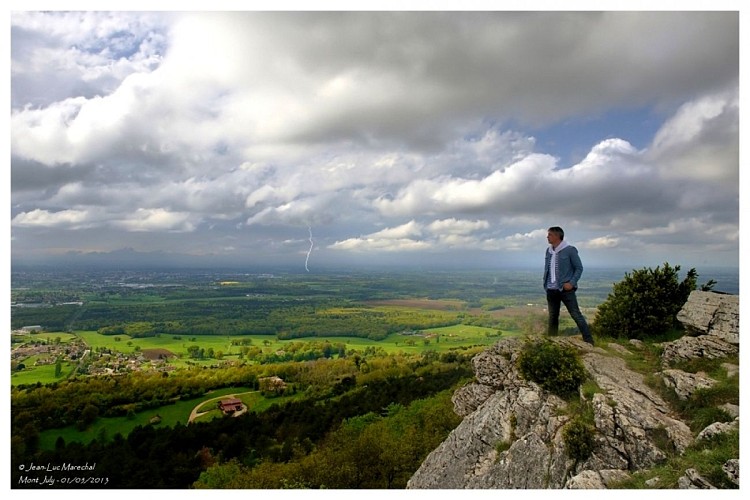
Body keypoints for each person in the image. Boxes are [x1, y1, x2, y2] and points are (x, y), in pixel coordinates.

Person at [543, 226, 595, 346]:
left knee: (576, 315)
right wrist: (546, 284)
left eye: (549, 235)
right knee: (553, 317)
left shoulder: (570, 250)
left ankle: (589, 341)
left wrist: (571, 283)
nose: (547, 237)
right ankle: (551, 342)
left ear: (557, 236)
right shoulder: (548, 250)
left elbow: (579, 268)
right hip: (551, 289)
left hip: (565, 290)